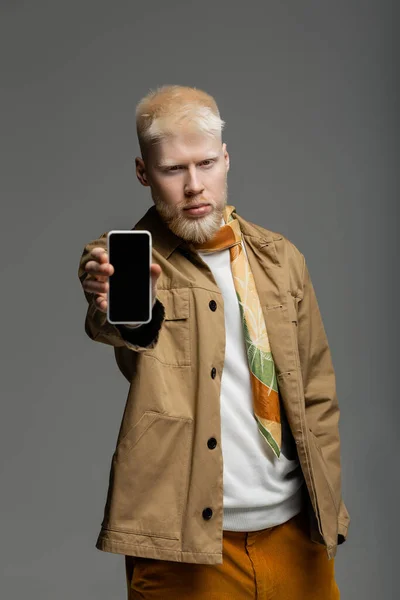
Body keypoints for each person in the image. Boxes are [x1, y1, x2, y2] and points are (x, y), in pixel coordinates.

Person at [78, 85, 350, 599]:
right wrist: (117, 304)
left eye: (205, 163)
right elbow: (122, 327)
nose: (194, 186)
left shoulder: (281, 259)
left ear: (226, 159)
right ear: (143, 173)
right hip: (185, 547)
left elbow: (317, 393)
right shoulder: (127, 264)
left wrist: (328, 506)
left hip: (295, 536)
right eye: (173, 169)